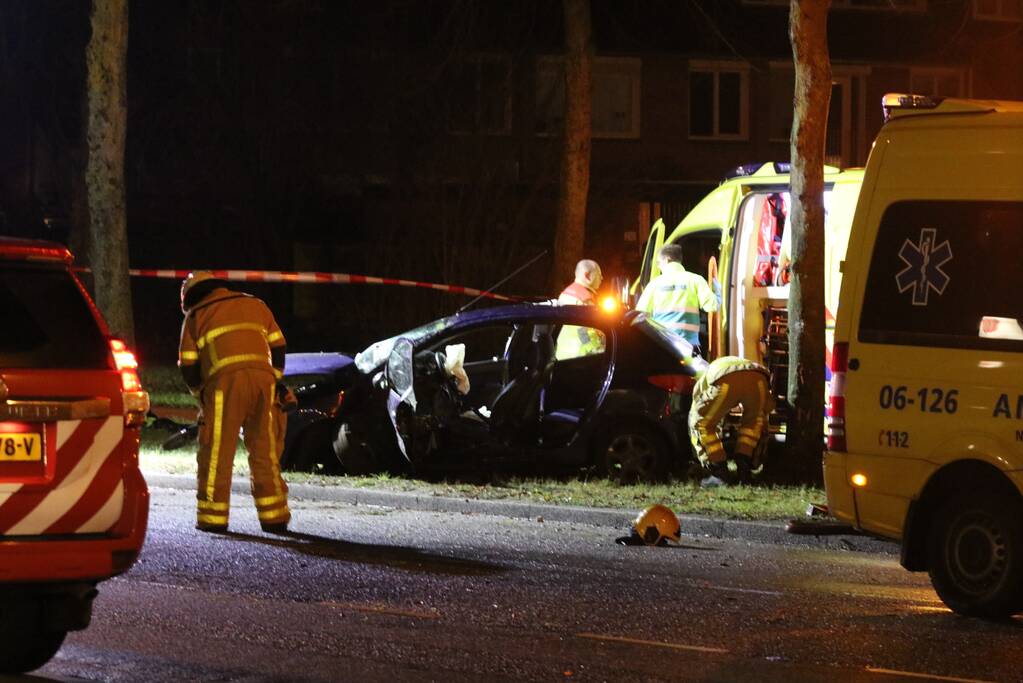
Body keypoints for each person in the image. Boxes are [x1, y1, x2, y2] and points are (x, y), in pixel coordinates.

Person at [178, 271, 291, 533]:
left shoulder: (195, 317)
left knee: (217, 452)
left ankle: (213, 518)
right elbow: (279, 346)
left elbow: (189, 365)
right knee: (265, 449)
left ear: (190, 297)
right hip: (263, 382)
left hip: (223, 386)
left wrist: (200, 395)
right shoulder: (256, 304)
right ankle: (274, 516)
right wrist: (273, 380)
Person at [688, 356, 773, 488]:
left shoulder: (701, 385)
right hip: (759, 378)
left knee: (701, 423)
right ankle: (745, 471)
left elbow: (702, 412)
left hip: (726, 380)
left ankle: (719, 473)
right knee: (754, 424)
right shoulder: (728, 362)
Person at [636, 244, 718, 352]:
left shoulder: (654, 284)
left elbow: (640, 316)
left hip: (662, 347)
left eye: (658, 263)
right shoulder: (695, 280)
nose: (658, 266)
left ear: (666, 260)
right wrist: (717, 287)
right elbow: (712, 305)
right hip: (689, 348)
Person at [555, 259, 606, 360]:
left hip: (563, 353)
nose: (602, 278)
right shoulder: (584, 299)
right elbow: (587, 332)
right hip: (580, 355)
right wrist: (600, 349)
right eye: (599, 274)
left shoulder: (566, 293)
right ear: (587, 276)